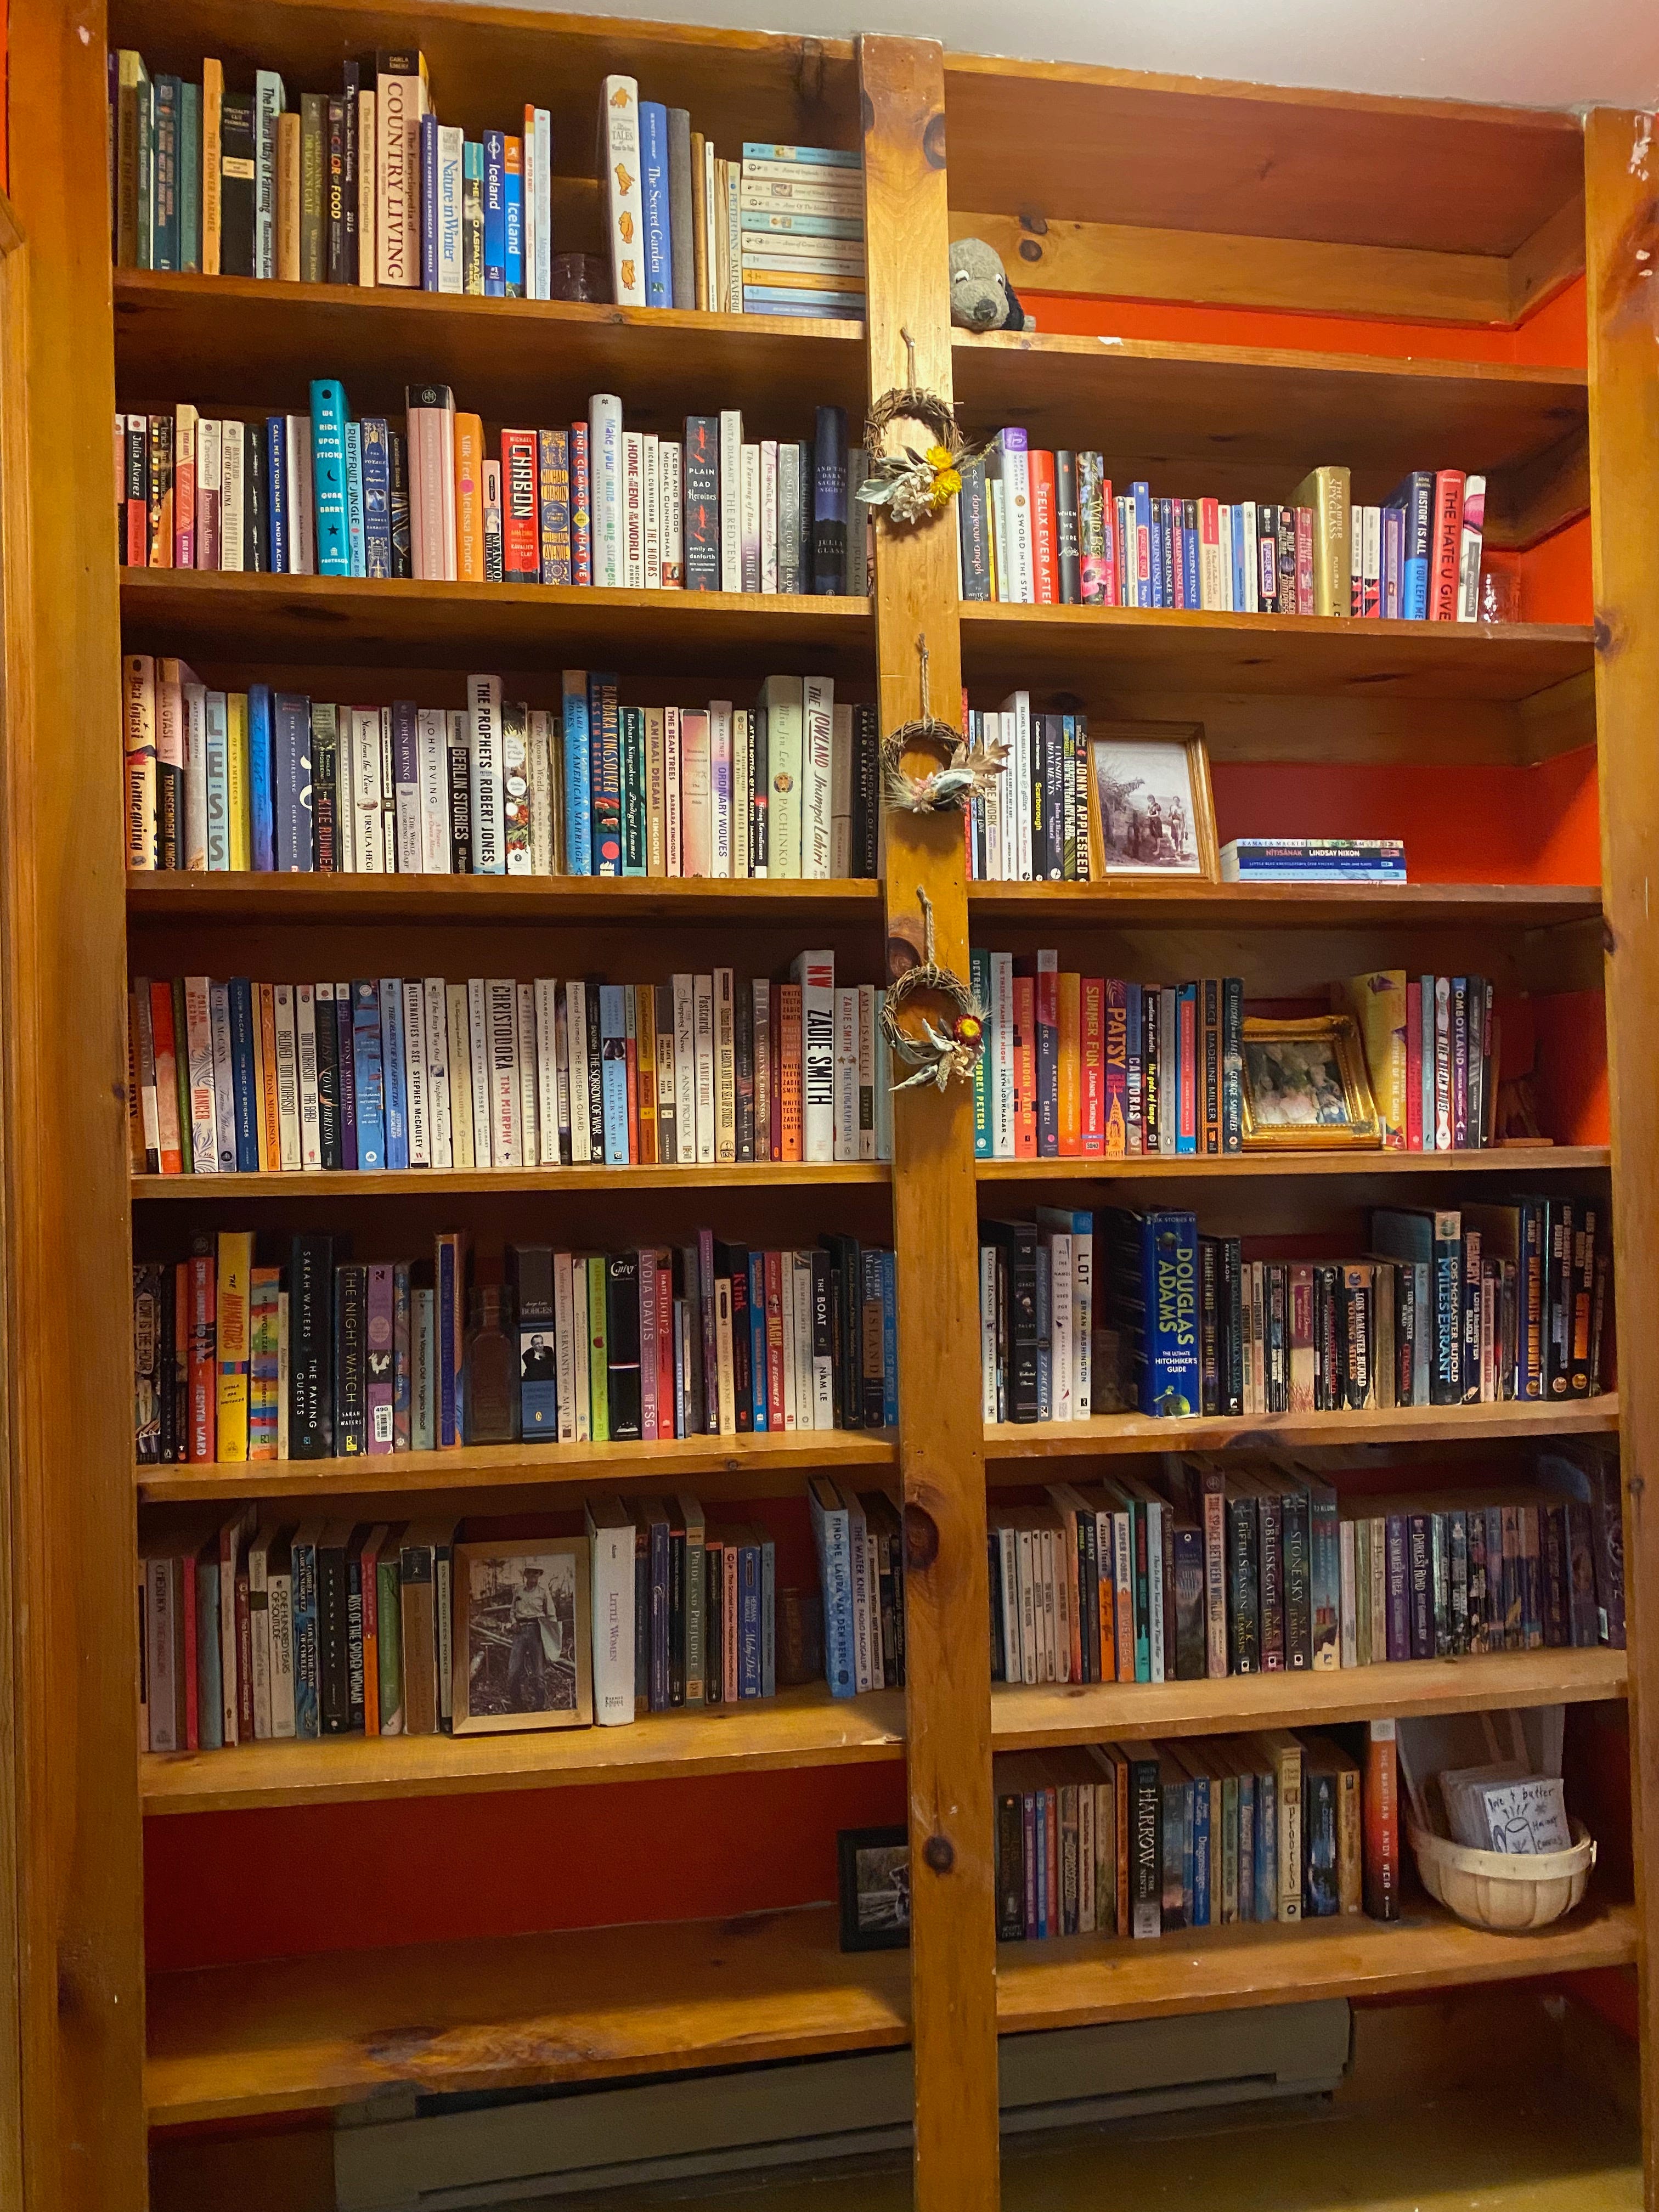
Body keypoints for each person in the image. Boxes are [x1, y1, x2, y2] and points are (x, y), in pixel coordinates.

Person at [506, 1562, 561, 1710]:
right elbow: (512, 1611)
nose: (533, 1576)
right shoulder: (518, 1591)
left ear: (539, 1575)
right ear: (526, 1574)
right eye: (530, 1572)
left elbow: (551, 1615)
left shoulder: (543, 1592)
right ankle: (517, 1705)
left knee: (539, 1672)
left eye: (536, 1573)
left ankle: (539, 1705)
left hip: (537, 1631)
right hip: (520, 1632)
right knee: (514, 1670)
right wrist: (514, 1622)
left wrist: (550, 1636)